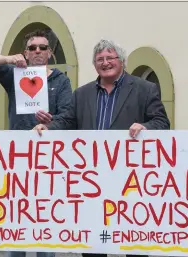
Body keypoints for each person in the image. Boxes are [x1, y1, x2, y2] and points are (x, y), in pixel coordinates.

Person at [35, 39, 170, 257]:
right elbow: (68, 121)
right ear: (95, 65)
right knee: (93, 244)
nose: (105, 63)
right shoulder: (82, 94)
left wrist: (145, 126)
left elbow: (162, 123)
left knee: (133, 243)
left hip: (130, 182)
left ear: (122, 61)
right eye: (100, 60)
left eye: (110, 58)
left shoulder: (145, 89)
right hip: (92, 182)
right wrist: (48, 127)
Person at [0, 28, 73, 131]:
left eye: (43, 48)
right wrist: (8, 59)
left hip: (47, 143)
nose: (37, 51)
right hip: (19, 142)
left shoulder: (61, 80)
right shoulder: (15, 75)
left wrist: (49, 124)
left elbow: (67, 118)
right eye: (32, 48)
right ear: (26, 53)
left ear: (49, 53)